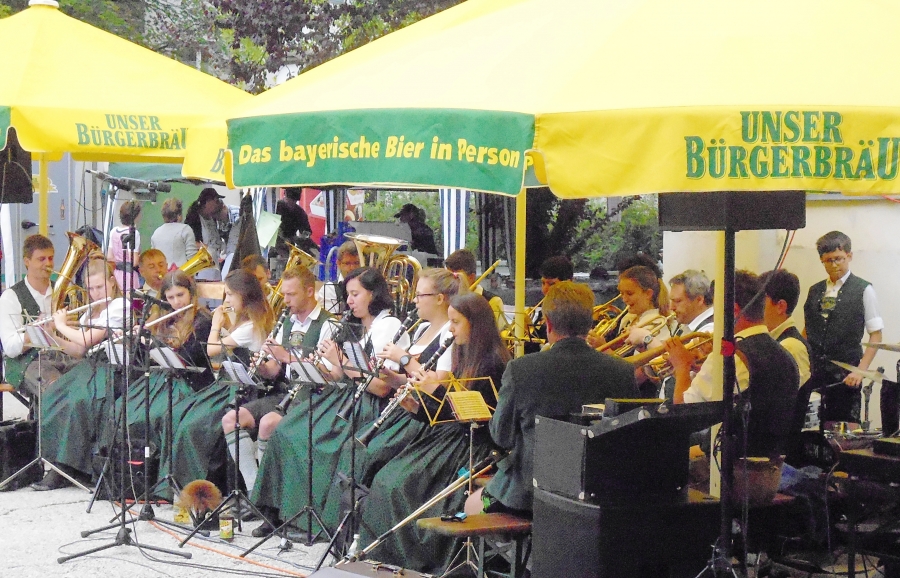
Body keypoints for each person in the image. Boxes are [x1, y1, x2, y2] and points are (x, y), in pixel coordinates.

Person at [250, 268, 409, 534]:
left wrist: (341, 361)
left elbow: (381, 387)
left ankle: (309, 518)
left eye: (355, 294)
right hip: (343, 395)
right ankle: (277, 510)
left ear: (373, 294)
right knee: (286, 430)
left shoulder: (389, 325)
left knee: (312, 441)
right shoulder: (358, 327)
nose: (349, 301)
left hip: (368, 404)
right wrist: (317, 366)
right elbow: (336, 375)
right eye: (348, 295)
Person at [361, 290, 507, 572]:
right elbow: (444, 415)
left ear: (476, 325)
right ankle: (384, 557)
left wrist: (435, 388)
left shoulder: (493, 363)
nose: (450, 329)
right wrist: (415, 405)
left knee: (399, 484)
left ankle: (412, 558)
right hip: (452, 437)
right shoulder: (464, 355)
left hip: (474, 445)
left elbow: (476, 417)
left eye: (456, 322)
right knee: (387, 477)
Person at [466, 281, 638, 517]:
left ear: (547, 323)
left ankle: (500, 543)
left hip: (530, 498)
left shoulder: (520, 369)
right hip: (599, 494)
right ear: (590, 323)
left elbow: (502, 436)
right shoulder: (622, 371)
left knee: (471, 505)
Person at [222, 266, 331, 502]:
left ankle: (266, 498)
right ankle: (254, 490)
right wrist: (263, 367)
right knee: (231, 419)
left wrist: (286, 356)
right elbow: (274, 370)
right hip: (285, 392)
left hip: (313, 396)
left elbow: (326, 373)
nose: (286, 300)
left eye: (291, 294)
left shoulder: (326, 324)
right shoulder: (287, 322)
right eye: (284, 294)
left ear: (309, 291)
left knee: (268, 423)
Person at [668, 271, 799, 458]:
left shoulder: (732, 356)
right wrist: (701, 369)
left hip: (729, 462)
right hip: (771, 463)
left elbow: (684, 413)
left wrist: (681, 368)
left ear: (734, 311)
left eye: (718, 311)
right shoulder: (785, 355)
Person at [164, 269, 273, 491]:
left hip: (241, 390)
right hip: (228, 385)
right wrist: (223, 327)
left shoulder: (251, 326)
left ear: (244, 295)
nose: (227, 300)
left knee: (193, 426)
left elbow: (212, 350)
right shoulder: (244, 323)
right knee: (182, 415)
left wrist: (215, 324)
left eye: (230, 294)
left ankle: (201, 485)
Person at [36, 258, 131, 490]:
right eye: (91, 289)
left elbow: (88, 339)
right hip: (90, 367)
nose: (96, 293)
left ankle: (70, 467)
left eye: (100, 287)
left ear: (112, 282)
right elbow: (79, 350)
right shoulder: (90, 311)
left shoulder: (120, 306)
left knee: (78, 401)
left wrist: (61, 325)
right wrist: (51, 335)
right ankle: (53, 462)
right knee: (53, 395)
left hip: (113, 369)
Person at [802, 231, 883, 423]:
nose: (834, 265)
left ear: (849, 256)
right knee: (811, 429)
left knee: (843, 429)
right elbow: (807, 331)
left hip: (845, 375)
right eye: (828, 260)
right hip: (815, 373)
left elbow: (876, 335)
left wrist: (860, 371)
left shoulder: (864, 289)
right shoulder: (815, 290)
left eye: (838, 259)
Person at [0, 235, 77, 395]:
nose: (48, 263)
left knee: (89, 380)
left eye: (50, 258)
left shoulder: (64, 292)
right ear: (27, 261)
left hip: (63, 355)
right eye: (41, 259)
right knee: (57, 390)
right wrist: (40, 331)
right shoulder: (11, 297)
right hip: (27, 362)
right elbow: (10, 347)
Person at [590, 265, 671, 355]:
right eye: (622, 293)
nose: (624, 299)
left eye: (629, 293)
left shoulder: (656, 323)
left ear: (648, 294)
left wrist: (604, 348)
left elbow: (634, 361)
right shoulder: (627, 319)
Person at [760, 269, 810, 388]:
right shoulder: (772, 339)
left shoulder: (791, 347)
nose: (755, 307)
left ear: (780, 306)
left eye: (761, 301)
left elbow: (779, 394)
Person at [445, 248, 505, 329]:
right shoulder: (446, 298)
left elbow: (494, 333)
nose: (451, 283)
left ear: (471, 277)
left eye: (457, 278)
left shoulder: (492, 301)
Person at [185, 187, 231, 278]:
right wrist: (207, 249)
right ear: (208, 202)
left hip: (215, 265)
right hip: (202, 268)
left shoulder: (213, 218)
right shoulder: (194, 219)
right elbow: (191, 242)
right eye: (216, 201)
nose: (218, 203)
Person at [106, 200, 143, 293]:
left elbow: (109, 257)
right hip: (129, 275)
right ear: (136, 216)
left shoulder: (114, 231)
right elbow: (134, 261)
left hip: (116, 274)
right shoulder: (134, 233)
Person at [151, 197, 198, 268]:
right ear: (179, 215)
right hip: (181, 273)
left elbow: (153, 257)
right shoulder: (185, 230)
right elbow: (192, 258)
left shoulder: (156, 233)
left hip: (162, 273)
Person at [317, 240, 360, 315]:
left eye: (356, 263)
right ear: (338, 263)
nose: (352, 268)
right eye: (347, 263)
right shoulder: (330, 289)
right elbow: (332, 320)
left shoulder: (368, 288)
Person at [275, 186, 312, 257]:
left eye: (294, 201)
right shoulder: (276, 208)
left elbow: (306, 231)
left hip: (289, 248)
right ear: (284, 194)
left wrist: (303, 238)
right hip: (273, 246)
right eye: (289, 200)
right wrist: (282, 238)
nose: (291, 203)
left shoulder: (300, 213)